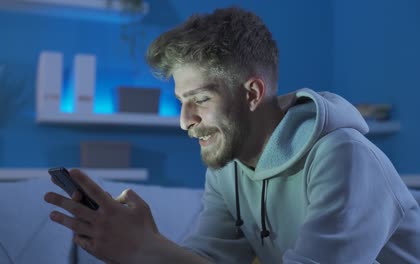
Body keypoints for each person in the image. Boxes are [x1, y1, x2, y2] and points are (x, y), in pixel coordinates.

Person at [44, 6, 420, 264]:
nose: (184, 121)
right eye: (181, 102)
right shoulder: (228, 167)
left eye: (200, 99)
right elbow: (207, 259)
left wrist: (150, 248)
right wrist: (140, 249)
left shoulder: (344, 157)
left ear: (252, 93)